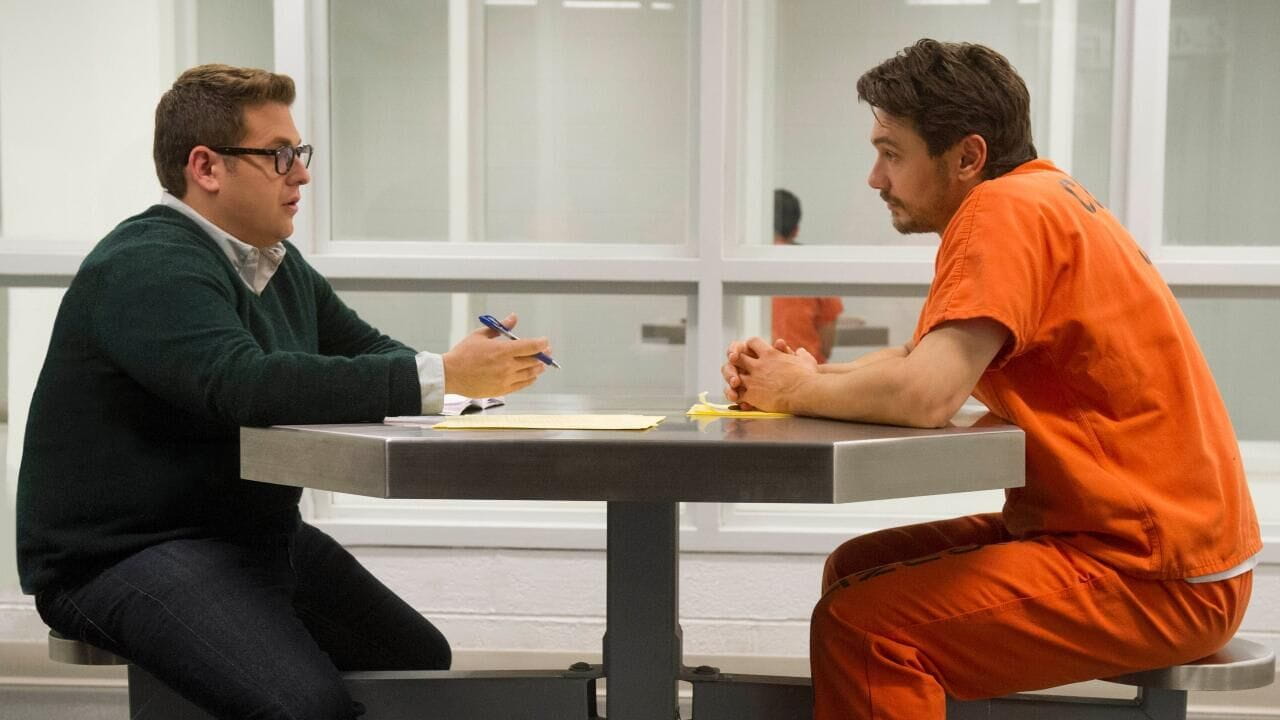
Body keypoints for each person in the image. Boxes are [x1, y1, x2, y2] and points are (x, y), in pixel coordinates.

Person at [721, 40, 1259, 720]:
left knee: (867, 629)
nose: (875, 178)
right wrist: (798, 372)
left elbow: (926, 395)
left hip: (1155, 572)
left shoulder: (1001, 211)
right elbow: (919, 358)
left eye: (891, 153)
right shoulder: (1045, 197)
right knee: (856, 571)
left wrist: (793, 391)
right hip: (1152, 547)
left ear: (967, 157)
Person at [16, 64, 553, 720]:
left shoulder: (272, 262)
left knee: (416, 660)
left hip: (250, 535)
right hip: (124, 553)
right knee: (306, 709)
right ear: (206, 168)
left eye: (299, 153)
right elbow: (244, 384)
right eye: (278, 155)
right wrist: (442, 374)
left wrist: (466, 383)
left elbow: (365, 351)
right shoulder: (146, 264)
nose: (300, 174)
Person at [770, 188, 844, 364]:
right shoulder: (816, 268)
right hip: (807, 372)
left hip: (756, 372)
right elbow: (826, 346)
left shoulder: (746, 266)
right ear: (796, 230)